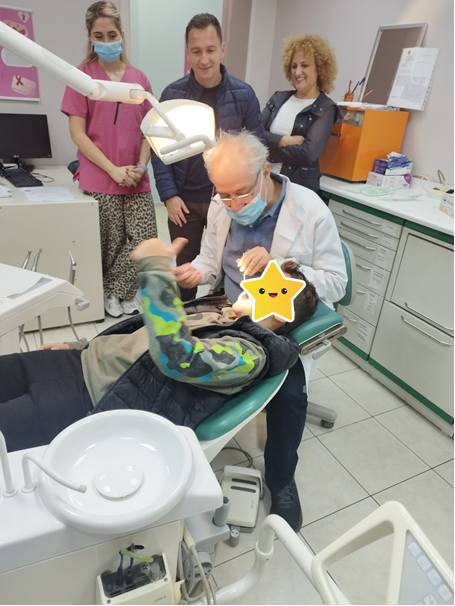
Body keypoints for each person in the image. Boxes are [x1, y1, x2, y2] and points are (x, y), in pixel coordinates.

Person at [0, 237, 319, 461]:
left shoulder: (249, 356)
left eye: (269, 286)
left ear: (281, 314)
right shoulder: (224, 312)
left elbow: (176, 356)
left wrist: (156, 272)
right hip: (79, 361)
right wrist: (80, 346)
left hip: (92, 398)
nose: (254, 282)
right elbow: (142, 333)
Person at [174, 130, 347, 531]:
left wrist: (280, 264)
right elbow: (211, 261)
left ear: (265, 171)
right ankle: (184, 458)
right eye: (224, 195)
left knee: (289, 396)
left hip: (277, 322)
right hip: (228, 309)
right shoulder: (222, 206)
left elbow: (337, 283)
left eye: (241, 193)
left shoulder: (311, 210)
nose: (233, 205)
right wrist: (194, 271)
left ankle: (281, 480)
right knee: (182, 361)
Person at [151, 13, 264, 301]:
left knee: (229, 269)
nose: (204, 59)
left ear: (222, 49)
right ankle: (185, 321)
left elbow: (257, 150)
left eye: (211, 50)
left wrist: (245, 199)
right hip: (184, 202)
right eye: (196, 51)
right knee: (186, 273)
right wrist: (168, 195)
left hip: (228, 202)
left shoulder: (244, 95)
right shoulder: (172, 94)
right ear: (187, 52)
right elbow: (159, 150)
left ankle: (223, 320)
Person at [61, 1, 157, 319]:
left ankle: (118, 289)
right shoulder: (82, 77)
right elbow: (78, 133)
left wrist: (141, 166)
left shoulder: (138, 79)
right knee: (111, 243)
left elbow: (149, 130)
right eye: (98, 36)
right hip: (101, 176)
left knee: (145, 239)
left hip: (136, 175)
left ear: (122, 34)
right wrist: (113, 170)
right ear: (90, 37)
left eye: (111, 35)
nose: (106, 42)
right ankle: (115, 292)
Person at [262, 34, 340, 193]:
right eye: (294, 66)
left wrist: (269, 152)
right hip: (265, 183)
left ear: (320, 68)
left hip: (297, 190)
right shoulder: (278, 98)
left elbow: (308, 153)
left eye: (304, 65)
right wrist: (284, 140)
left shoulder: (326, 107)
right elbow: (254, 134)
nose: (298, 72)